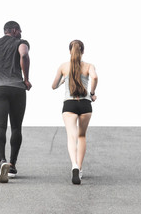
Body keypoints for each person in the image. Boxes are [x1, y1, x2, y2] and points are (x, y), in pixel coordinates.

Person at [0, 21, 32, 183]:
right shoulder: (21, 43)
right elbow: (23, 55)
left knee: (0, 127)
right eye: (20, 31)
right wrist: (26, 79)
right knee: (16, 127)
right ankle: (12, 165)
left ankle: (2, 161)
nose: (21, 33)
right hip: (17, 88)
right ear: (14, 30)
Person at [52, 40, 98, 185]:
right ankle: (80, 166)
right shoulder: (89, 66)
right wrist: (92, 92)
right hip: (85, 104)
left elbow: (53, 86)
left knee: (72, 137)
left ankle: (74, 165)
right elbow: (95, 77)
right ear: (82, 51)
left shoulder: (63, 66)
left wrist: (64, 81)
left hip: (69, 104)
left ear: (69, 51)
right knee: (82, 136)